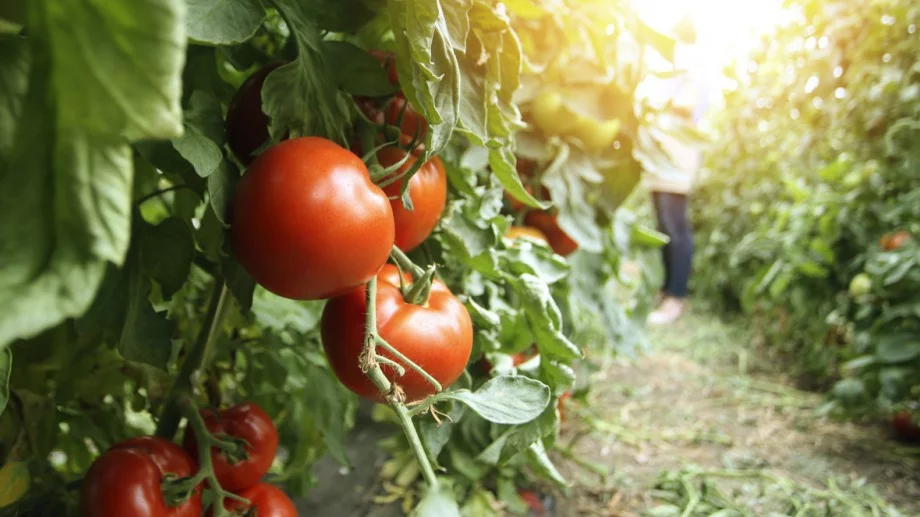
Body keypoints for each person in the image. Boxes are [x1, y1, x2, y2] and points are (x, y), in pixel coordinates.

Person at [645, 16, 711, 325]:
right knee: (665, 226)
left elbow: (684, 106)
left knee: (675, 228)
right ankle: (667, 291)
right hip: (662, 158)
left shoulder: (692, 69)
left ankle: (676, 297)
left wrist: (652, 103)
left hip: (677, 160)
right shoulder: (678, 69)